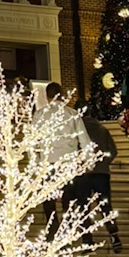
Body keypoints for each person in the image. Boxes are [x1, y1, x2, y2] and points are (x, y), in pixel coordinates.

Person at [34, 82, 90, 239]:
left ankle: (53, 230)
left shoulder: (39, 115)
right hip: (69, 162)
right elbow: (84, 140)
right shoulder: (72, 114)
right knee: (69, 198)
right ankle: (68, 228)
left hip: (48, 162)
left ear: (47, 96)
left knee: (48, 199)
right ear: (62, 95)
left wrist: (37, 163)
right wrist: (85, 161)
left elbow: (34, 142)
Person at [74, 110, 123, 253]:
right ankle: (114, 235)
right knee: (106, 206)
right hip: (102, 173)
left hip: (83, 173)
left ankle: (87, 240)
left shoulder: (77, 130)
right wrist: (104, 162)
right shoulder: (103, 129)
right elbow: (113, 151)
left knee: (83, 208)